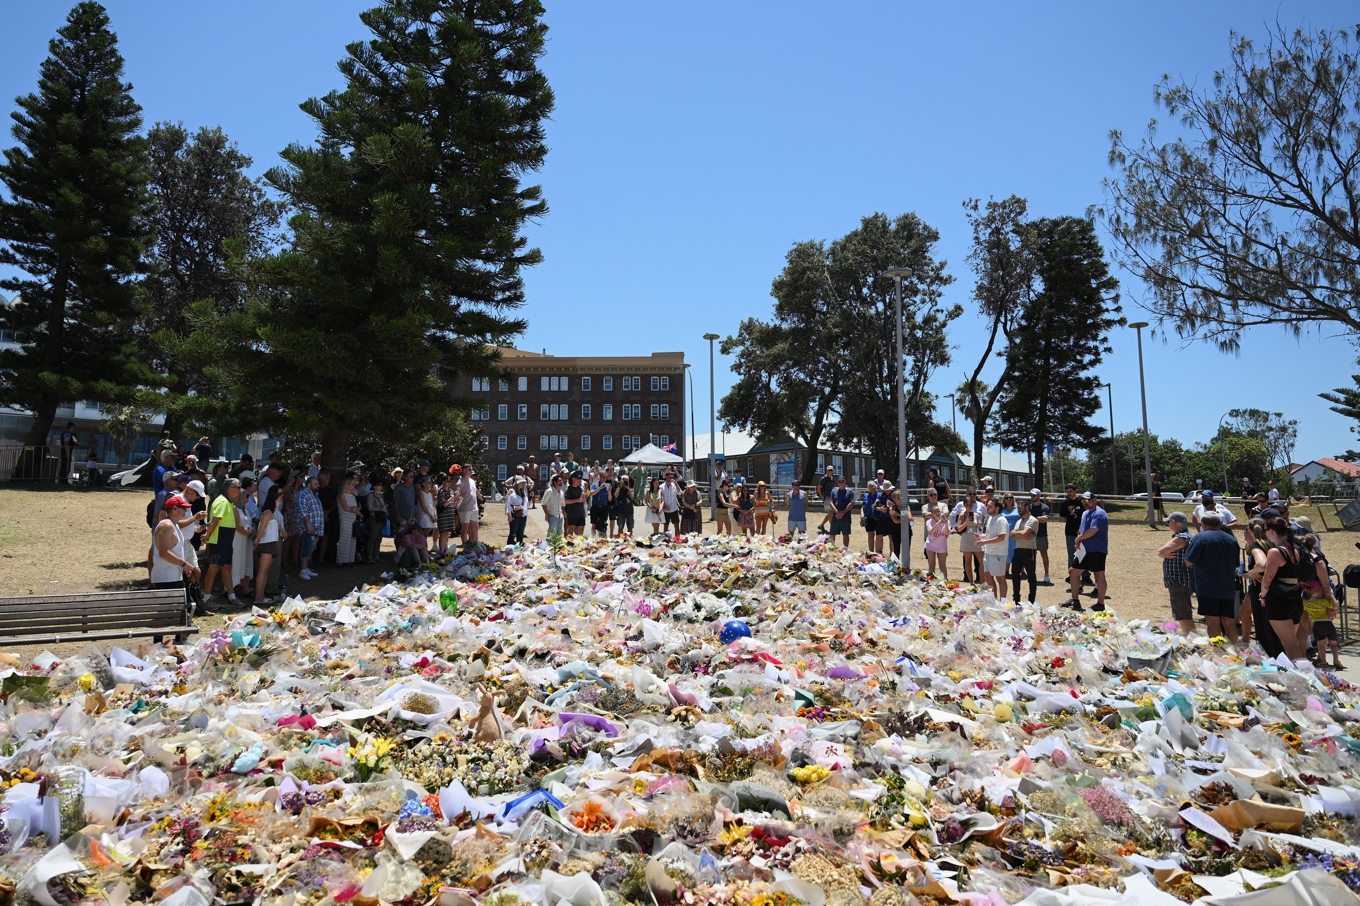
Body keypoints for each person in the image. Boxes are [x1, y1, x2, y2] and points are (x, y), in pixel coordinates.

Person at [1185, 513, 1240, 643]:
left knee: (1212, 621)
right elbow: (1236, 564)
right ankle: (1234, 651)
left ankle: (1218, 652)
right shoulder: (1231, 539)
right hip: (1227, 587)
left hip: (1207, 587)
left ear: (1203, 524)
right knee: (1229, 621)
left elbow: (1188, 561)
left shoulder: (1201, 538)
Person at [202, 478, 242, 607]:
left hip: (225, 541)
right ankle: (206, 598)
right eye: (237, 486)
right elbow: (215, 522)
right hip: (219, 540)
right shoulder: (222, 502)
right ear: (229, 488)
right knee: (214, 568)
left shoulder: (227, 502)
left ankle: (231, 597)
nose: (239, 489)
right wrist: (207, 536)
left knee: (226, 568)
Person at [1065, 492, 1108, 612]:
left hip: (1096, 550)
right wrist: (1078, 538)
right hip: (1083, 550)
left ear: (1094, 500)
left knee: (1099, 575)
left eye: (1088, 500)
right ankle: (1075, 600)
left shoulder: (1099, 514)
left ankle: (1100, 604)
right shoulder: (1085, 513)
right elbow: (1082, 529)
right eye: (1083, 500)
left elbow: (1093, 530)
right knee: (1073, 571)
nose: (1085, 502)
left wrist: (1079, 538)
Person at [148, 495, 200, 590]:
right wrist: (184, 564)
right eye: (184, 508)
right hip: (166, 579)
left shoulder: (174, 525)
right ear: (175, 509)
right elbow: (163, 553)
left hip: (173, 578)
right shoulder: (167, 526)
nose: (186, 510)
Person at [1157, 512, 1195, 635]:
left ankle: (1192, 640)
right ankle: (1190, 638)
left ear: (1175, 522)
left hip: (1179, 580)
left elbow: (1161, 551)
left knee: (1183, 614)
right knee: (1181, 614)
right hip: (1179, 580)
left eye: (1169, 522)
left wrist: (1164, 554)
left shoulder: (1182, 537)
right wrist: (1165, 554)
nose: (1168, 524)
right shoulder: (1183, 536)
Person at [977, 496, 1010, 599]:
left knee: (1000, 578)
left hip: (998, 554)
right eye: (987, 505)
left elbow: (1001, 537)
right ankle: (994, 600)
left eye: (990, 506)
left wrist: (985, 542)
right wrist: (981, 537)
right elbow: (990, 534)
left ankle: (1003, 601)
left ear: (997, 508)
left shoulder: (1001, 520)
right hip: (988, 552)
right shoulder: (991, 518)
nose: (987, 508)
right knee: (988, 577)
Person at [253, 485, 281, 606]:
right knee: (262, 571)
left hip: (271, 544)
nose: (280, 501)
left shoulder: (272, 513)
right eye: (279, 498)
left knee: (265, 571)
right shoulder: (268, 513)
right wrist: (256, 543)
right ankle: (258, 597)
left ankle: (261, 596)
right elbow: (261, 530)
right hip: (266, 544)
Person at [1056, 484, 1087, 588]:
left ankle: (1085, 575)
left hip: (1082, 532)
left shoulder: (1081, 501)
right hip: (1070, 532)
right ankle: (1072, 574)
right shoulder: (1065, 503)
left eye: (1071, 491)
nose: (1069, 493)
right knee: (1071, 554)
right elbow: (1065, 517)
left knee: (1083, 553)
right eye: (1067, 491)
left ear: (1075, 491)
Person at [951, 488, 985, 584]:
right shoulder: (962, 515)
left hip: (976, 538)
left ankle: (982, 582)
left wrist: (981, 526)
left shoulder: (976, 514)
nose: (969, 506)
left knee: (982, 561)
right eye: (967, 505)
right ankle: (971, 582)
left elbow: (982, 522)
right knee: (967, 561)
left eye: (971, 505)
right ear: (964, 505)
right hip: (966, 538)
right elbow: (959, 528)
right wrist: (966, 523)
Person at [1010, 499, 1039, 605]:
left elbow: (1025, 534)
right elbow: (1012, 535)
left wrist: (1018, 533)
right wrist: (1020, 534)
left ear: (1027, 508)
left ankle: (1031, 600)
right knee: (1015, 575)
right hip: (1018, 550)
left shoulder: (1033, 520)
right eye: (1018, 508)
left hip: (1029, 551)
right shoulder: (1019, 521)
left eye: (1020, 508)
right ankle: (1016, 599)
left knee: (1031, 576)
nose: (1019, 510)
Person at [295, 474, 325, 580]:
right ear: (308, 485)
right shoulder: (303, 494)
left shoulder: (314, 495)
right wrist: (308, 525)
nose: (318, 486)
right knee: (306, 547)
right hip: (307, 528)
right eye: (315, 484)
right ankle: (303, 570)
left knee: (310, 548)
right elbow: (302, 511)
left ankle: (306, 568)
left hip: (315, 528)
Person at [1028, 489, 1052, 583]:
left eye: (1034, 495)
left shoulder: (1045, 507)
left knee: (1044, 554)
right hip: (1030, 534)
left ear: (1039, 496)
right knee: (1031, 556)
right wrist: (1038, 519)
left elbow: (1044, 520)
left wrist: (1032, 519)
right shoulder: (1029, 507)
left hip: (1041, 534)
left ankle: (1046, 574)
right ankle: (1032, 575)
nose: (1032, 497)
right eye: (1031, 495)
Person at [336, 473, 361, 565]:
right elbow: (345, 507)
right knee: (344, 539)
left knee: (352, 540)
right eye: (351, 484)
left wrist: (358, 512)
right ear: (346, 484)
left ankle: (349, 560)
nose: (353, 485)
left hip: (353, 520)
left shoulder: (353, 495)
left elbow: (356, 506)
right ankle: (341, 561)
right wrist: (353, 509)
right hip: (345, 519)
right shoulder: (341, 494)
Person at [456, 464, 482, 547]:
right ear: (464, 471)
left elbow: (475, 492)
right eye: (469, 470)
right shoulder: (460, 482)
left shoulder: (472, 481)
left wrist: (479, 495)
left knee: (475, 527)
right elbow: (456, 495)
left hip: (474, 508)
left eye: (471, 469)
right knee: (465, 528)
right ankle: (465, 547)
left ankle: (474, 545)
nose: (471, 471)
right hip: (465, 508)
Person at [436, 472, 459, 557]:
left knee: (447, 533)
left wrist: (457, 498)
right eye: (447, 481)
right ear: (443, 482)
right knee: (443, 532)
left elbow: (454, 504)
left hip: (450, 514)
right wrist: (453, 497)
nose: (449, 483)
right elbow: (444, 504)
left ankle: (444, 550)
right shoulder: (440, 491)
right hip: (443, 515)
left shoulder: (451, 491)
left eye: (450, 481)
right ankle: (441, 551)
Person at [924, 500, 950, 579]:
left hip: (941, 546)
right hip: (930, 545)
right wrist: (939, 522)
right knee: (932, 564)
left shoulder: (947, 522)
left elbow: (946, 534)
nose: (937, 513)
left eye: (938, 511)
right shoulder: (929, 521)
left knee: (942, 565)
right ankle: (931, 582)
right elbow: (931, 532)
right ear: (932, 514)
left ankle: (944, 581)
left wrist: (945, 524)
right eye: (935, 512)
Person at [828, 476, 855, 547]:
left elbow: (852, 503)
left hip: (846, 516)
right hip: (835, 516)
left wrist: (843, 512)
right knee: (832, 533)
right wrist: (837, 512)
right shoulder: (834, 491)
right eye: (839, 481)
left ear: (845, 482)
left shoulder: (850, 491)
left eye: (842, 481)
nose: (841, 483)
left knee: (845, 534)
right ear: (837, 482)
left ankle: (845, 549)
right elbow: (831, 502)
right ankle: (831, 548)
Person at [564, 472, 587, 537]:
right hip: (572, 514)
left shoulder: (580, 489)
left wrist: (584, 499)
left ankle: (579, 545)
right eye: (578, 478)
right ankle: (568, 545)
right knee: (570, 532)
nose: (580, 480)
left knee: (580, 533)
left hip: (581, 514)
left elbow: (583, 501)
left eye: (580, 478)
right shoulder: (569, 489)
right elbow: (565, 501)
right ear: (573, 479)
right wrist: (577, 500)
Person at [816, 465, 836, 533]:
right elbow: (819, 488)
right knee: (830, 512)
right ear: (826, 470)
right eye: (829, 470)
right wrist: (822, 496)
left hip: (832, 497)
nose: (830, 471)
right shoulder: (823, 478)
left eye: (831, 470)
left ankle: (821, 525)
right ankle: (833, 528)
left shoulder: (832, 478)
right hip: (827, 497)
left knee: (831, 513)